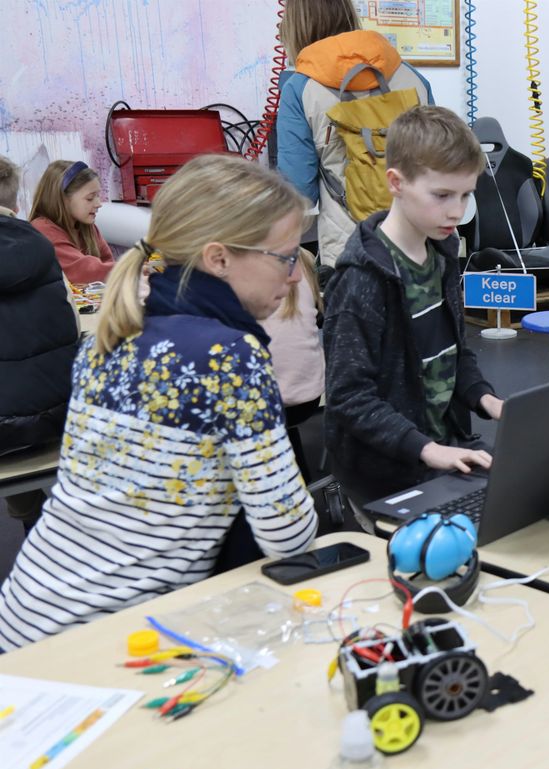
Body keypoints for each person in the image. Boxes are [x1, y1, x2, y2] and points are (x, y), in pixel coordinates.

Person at [0, 155, 318, 651]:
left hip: (28, 616)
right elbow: (287, 534)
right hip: (108, 641)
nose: (296, 275)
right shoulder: (227, 355)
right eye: (285, 257)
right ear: (218, 259)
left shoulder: (111, 335)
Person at [322, 105, 503, 518]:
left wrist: (487, 400)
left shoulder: (441, 252)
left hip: (442, 452)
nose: (457, 211)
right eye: (442, 195)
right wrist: (426, 449)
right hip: (388, 474)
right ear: (396, 183)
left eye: (466, 195)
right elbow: (349, 398)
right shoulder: (361, 280)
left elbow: (453, 354)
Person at [277, 0, 432, 269]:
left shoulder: (299, 88)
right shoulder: (411, 76)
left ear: (295, 26)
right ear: (350, 14)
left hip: (349, 244)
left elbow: (299, 191)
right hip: (419, 233)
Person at [0, 155, 78, 532]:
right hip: (61, 415)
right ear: (16, 202)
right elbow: (74, 325)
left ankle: (30, 516)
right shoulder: (42, 244)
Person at [262, 248, 325, 482]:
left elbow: (152, 283)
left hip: (267, 403)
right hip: (308, 395)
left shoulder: (231, 267)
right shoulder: (304, 258)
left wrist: (154, 256)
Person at [29, 160, 114, 285]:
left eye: (97, 196)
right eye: (90, 198)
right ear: (62, 199)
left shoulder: (88, 227)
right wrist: (131, 268)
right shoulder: (42, 231)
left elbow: (107, 263)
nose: (98, 204)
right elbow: (84, 270)